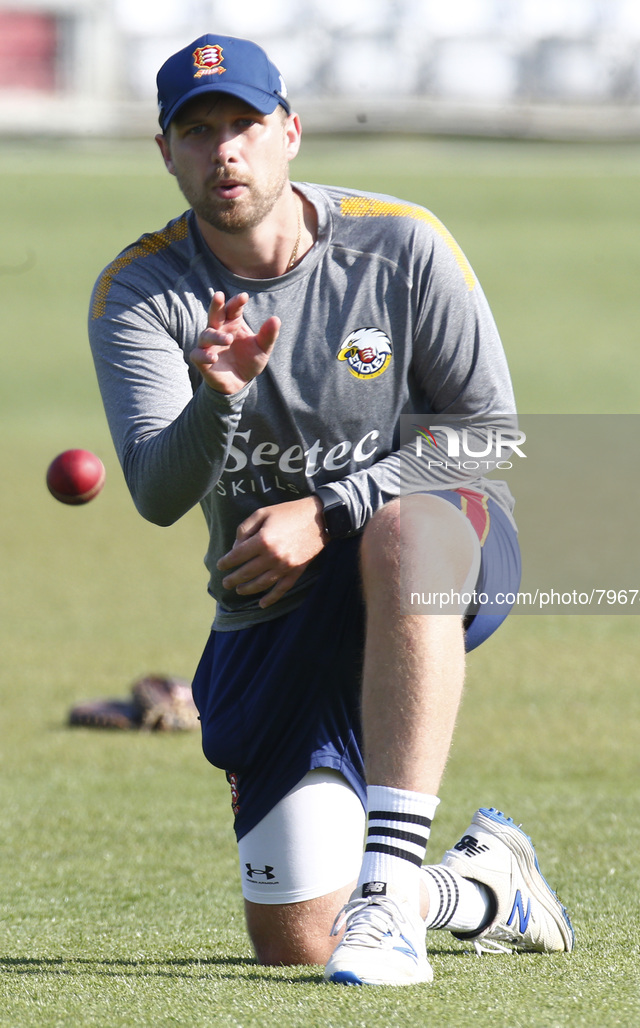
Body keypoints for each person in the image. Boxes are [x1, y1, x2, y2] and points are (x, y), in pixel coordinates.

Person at [88, 33, 574, 985]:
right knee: (297, 944)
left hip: (440, 542)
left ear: (291, 133)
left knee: (407, 528)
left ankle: (391, 891)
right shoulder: (141, 292)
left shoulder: (401, 242)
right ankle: (478, 886)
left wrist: (331, 507)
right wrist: (220, 397)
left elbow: (492, 432)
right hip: (272, 603)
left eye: (244, 124)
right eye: (197, 132)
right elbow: (154, 494)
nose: (224, 150)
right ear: (166, 153)